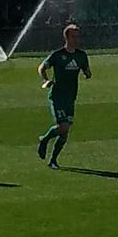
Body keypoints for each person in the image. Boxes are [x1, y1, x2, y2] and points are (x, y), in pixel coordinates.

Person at [36, 21, 91, 166]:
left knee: (64, 134)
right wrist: (45, 80)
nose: (77, 40)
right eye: (74, 37)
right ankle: (44, 139)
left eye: (78, 37)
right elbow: (42, 67)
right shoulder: (58, 55)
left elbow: (86, 69)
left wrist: (87, 73)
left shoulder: (81, 55)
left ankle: (53, 160)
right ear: (66, 38)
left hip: (70, 97)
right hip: (57, 96)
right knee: (63, 126)